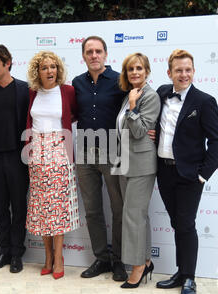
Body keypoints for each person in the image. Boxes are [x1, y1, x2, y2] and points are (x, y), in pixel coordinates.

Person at [154, 49, 218, 294]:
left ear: (193, 71)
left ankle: (189, 278)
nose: (183, 74)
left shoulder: (204, 101)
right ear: (169, 72)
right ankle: (180, 272)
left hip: (189, 175)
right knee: (177, 224)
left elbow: (216, 141)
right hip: (163, 172)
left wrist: (203, 174)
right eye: (178, 70)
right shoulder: (162, 93)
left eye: (187, 70)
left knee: (185, 224)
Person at [72, 36, 128, 281]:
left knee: (118, 208)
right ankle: (101, 259)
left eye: (98, 51)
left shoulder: (119, 80)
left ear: (105, 54)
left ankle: (118, 260)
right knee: (93, 210)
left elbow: (137, 104)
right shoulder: (77, 82)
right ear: (83, 56)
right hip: (83, 150)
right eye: (89, 52)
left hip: (113, 150)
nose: (93, 55)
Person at [24, 51, 80, 280]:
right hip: (36, 151)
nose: (50, 71)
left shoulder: (67, 91)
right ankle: (46, 257)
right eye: (45, 67)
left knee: (58, 208)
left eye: (53, 66)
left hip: (59, 151)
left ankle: (58, 258)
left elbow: (74, 114)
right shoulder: (32, 93)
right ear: (38, 71)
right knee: (40, 207)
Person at [0, 45, 30, 273]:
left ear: (8, 63)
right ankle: (4, 252)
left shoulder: (24, 90)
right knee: (0, 208)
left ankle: (18, 253)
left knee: (19, 208)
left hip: (18, 159)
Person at [115, 53, 161, 288]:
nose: (135, 72)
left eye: (139, 68)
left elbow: (140, 132)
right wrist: (130, 102)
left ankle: (138, 267)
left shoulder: (149, 96)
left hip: (142, 165)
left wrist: (133, 107)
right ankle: (145, 260)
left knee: (133, 217)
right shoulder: (130, 94)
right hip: (126, 163)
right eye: (131, 69)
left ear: (147, 71)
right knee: (137, 216)